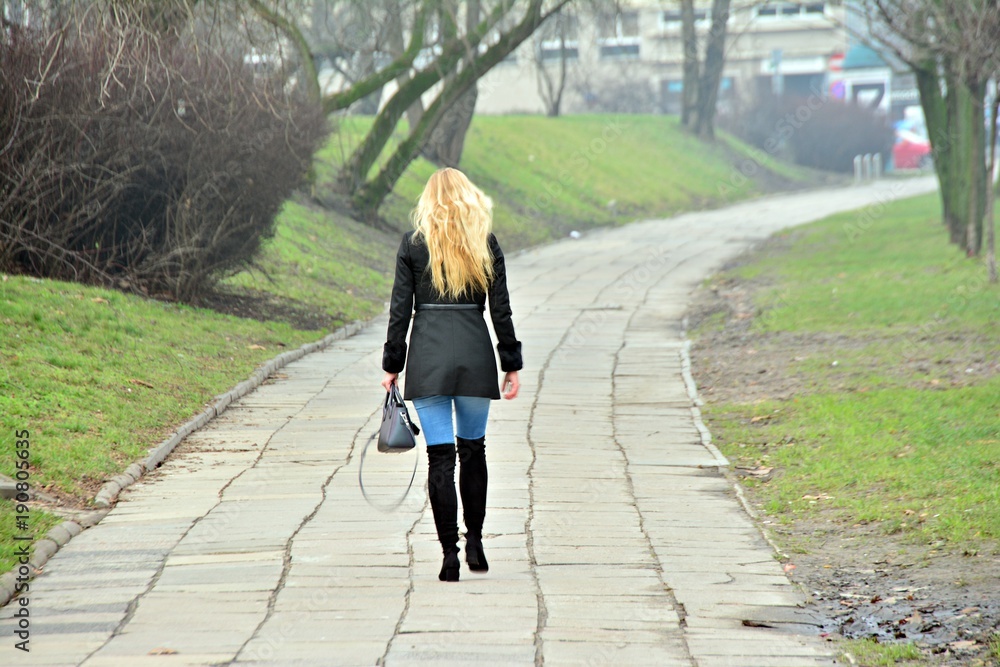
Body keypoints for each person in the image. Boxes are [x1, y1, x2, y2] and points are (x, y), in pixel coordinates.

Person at [381, 167, 522, 582]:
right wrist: (511, 361)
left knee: (440, 457)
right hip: (476, 356)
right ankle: (476, 542)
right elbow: (501, 310)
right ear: (468, 199)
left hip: (428, 357)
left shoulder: (412, 246)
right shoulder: (485, 243)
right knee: (473, 450)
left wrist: (392, 365)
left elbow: (399, 311)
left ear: (428, 201)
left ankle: (449, 555)